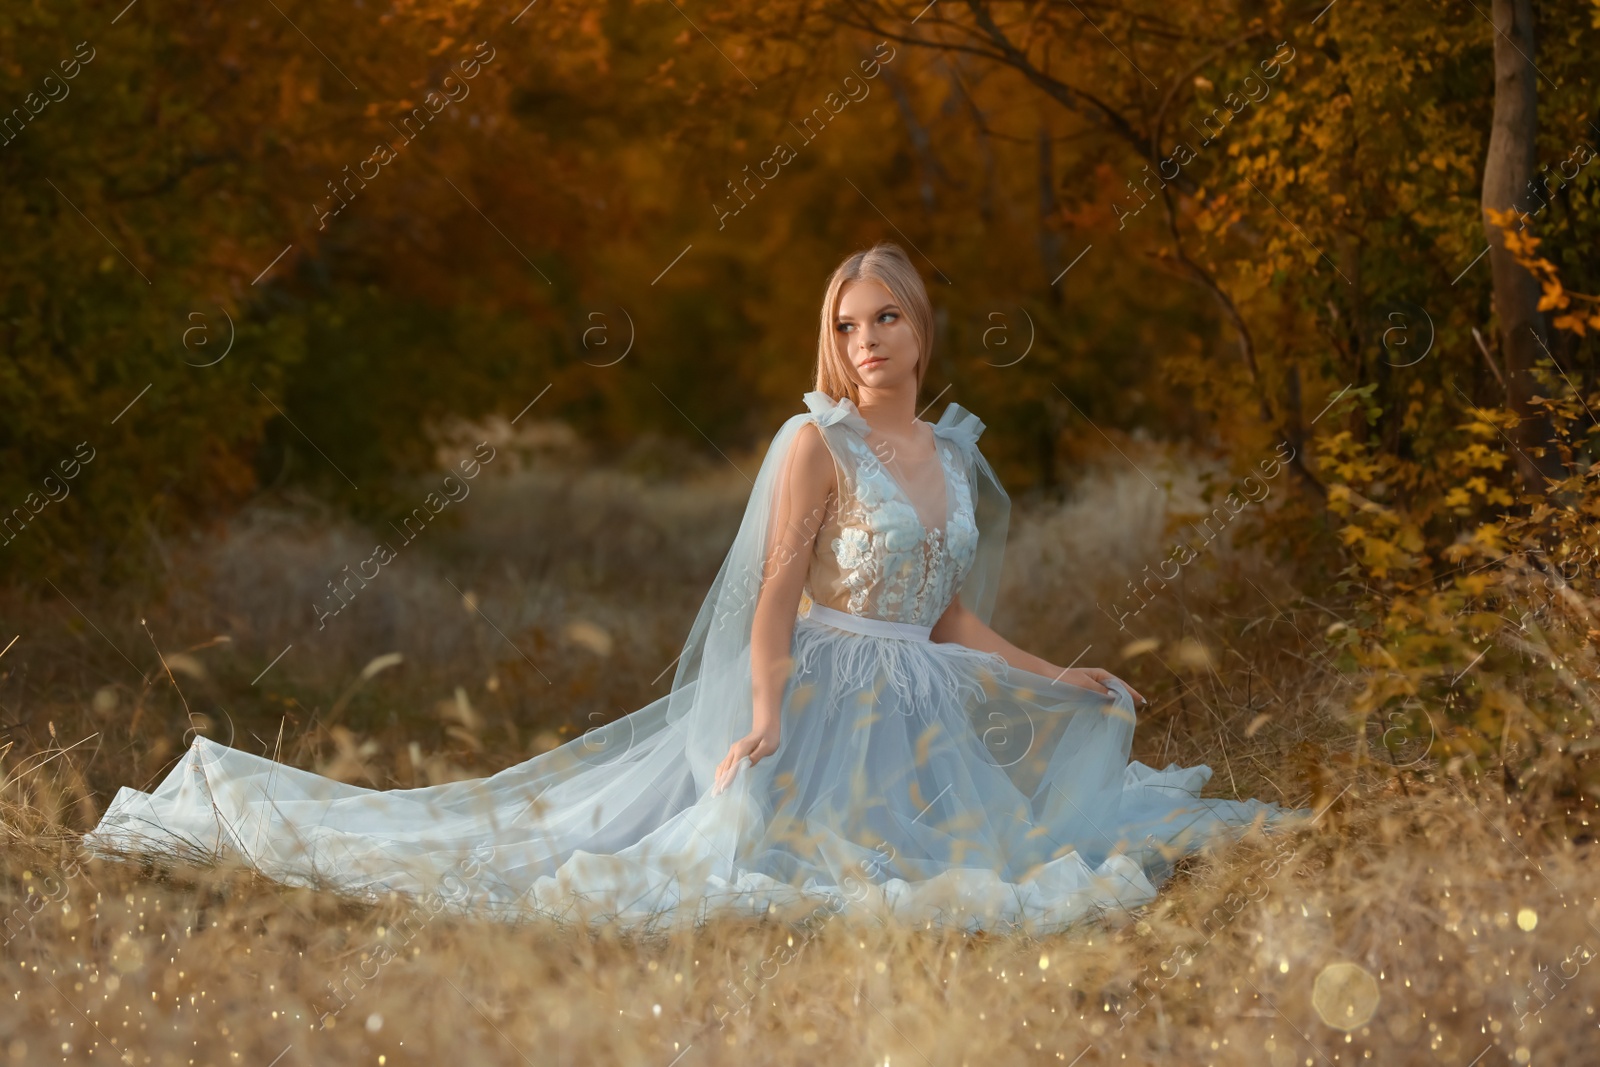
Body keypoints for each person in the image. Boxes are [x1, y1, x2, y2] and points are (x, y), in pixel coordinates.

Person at [85, 242, 1298, 934]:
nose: (866, 338)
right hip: (823, 687)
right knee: (656, 850)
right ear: (832, 339)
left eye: (886, 316)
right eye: (846, 320)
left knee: (1020, 839)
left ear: (923, 328)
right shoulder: (815, 441)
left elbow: (947, 616)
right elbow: (774, 594)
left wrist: (1052, 672)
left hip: (922, 688)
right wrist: (765, 710)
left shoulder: (958, 452)